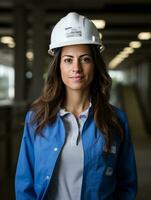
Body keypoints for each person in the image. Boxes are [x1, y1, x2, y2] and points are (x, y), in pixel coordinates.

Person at [15, 12, 137, 200]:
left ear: (95, 65)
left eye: (85, 59)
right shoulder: (37, 118)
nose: (76, 68)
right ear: (58, 66)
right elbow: (25, 185)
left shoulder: (115, 120)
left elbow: (127, 185)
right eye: (68, 60)